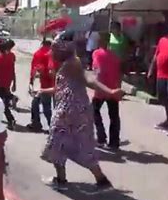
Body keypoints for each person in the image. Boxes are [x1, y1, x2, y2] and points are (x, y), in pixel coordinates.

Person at [38, 31, 124, 190]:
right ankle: (102, 181)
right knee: (81, 147)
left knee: (57, 145)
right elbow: (61, 88)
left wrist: (110, 92)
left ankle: (61, 181)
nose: (53, 52)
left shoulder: (73, 63)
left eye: (56, 48)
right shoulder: (70, 64)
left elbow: (89, 79)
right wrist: (43, 91)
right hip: (76, 112)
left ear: (65, 48)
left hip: (68, 112)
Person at [92, 32, 122, 149]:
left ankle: (101, 137)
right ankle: (114, 142)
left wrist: (96, 86)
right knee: (114, 116)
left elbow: (98, 71)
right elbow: (119, 73)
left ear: (100, 41)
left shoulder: (97, 53)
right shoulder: (114, 56)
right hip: (113, 88)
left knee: (93, 111)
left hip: (102, 88)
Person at [27, 40, 53, 131]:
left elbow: (35, 69)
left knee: (44, 105)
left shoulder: (38, 54)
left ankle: (51, 126)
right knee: (36, 103)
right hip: (54, 83)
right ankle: (36, 123)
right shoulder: (54, 54)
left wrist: (31, 82)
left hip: (43, 84)